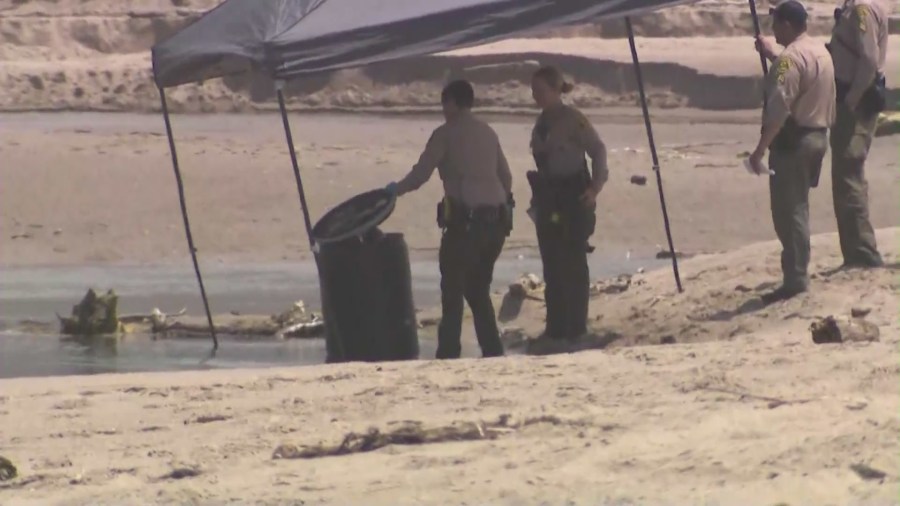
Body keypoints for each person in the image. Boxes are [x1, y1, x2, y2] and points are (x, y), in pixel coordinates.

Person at [385, 80, 513, 359]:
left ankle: (448, 354)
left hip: (466, 225)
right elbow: (506, 177)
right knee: (478, 288)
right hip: (497, 225)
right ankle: (492, 350)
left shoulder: (445, 134)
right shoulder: (488, 132)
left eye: (445, 103)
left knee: (453, 289)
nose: (443, 109)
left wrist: (395, 190)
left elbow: (421, 174)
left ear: (452, 103)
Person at [749, 0, 835, 303]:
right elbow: (800, 72)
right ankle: (798, 270)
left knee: (789, 211)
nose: (773, 30)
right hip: (818, 136)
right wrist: (773, 53)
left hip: (794, 143)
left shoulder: (790, 59)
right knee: (798, 206)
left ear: (787, 25)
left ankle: (796, 278)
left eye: (776, 24)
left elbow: (779, 109)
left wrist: (758, 151)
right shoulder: (819, 50)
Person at [527, 66, 608, 341]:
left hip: (574, 194)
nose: (535, 95)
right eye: (533, 90)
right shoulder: (541, 123)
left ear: (554, 90)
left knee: (573, 261)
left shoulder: (573, 119)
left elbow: (598, 150)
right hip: (549, 196)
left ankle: (576, 326)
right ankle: (556, 325)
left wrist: (595, 188)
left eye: (540, 90)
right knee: (551, 261)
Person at [827, 0, 891, 268]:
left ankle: (862, 253)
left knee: (848, 174)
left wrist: (851, 100)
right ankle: (856, 251)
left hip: (856, 102)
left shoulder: (863, 8)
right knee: (847, 175)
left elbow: (868, 59)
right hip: (850, 97)